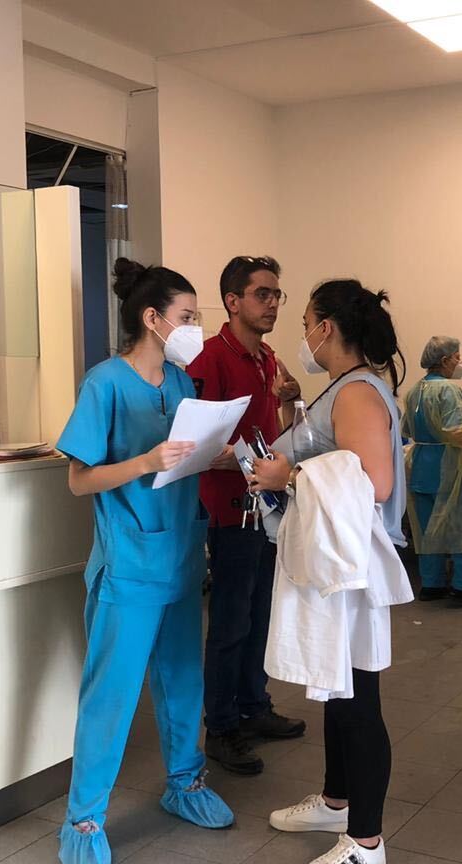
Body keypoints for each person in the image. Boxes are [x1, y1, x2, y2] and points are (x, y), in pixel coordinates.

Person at [54, 258, 233, 864]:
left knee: (184, 679)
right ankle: (83, 819)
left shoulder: (182, 384)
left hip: (181, 554)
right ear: (152, 319)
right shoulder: (105, 382)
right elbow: (79, 480)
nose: (195, 328)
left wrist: (224, 450)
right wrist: (144, 460)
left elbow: (184, 457)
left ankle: (183, 783)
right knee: (112, 694)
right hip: (129, 563)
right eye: (187, 317)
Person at [248, 279, 407, 864]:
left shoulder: (360, 391)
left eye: (308, 320)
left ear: (329, 328)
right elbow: (331, 462)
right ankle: (338, 800)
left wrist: (289, 472)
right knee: (337, 693)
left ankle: (365, 842)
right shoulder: (340, 389)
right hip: (332, 562)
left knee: (357, 700)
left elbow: (376, 483)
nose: (303, 331)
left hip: (351, 569)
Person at [186, 256, 306, 778]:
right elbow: (191, 442)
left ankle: (254, 707)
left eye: (277, 294)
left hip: (266, 508)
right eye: (262, 294)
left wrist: (290, 401)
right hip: (229, 511)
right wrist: (241, 457)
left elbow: (274, 429)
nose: (273, 303)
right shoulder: (210, 360)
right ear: (233, 301)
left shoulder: (267, 358)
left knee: (260, 615)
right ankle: (222, 726)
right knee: (231, 622)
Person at [401, 336, 462, 606]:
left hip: (420, 466)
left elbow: (406, 429)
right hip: (449, 466)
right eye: (456, 357)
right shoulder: (449, 391)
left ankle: (432, 584)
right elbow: (456, 430)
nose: (459, 362)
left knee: (428, 530)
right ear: (444, 360)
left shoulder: (414, 390)